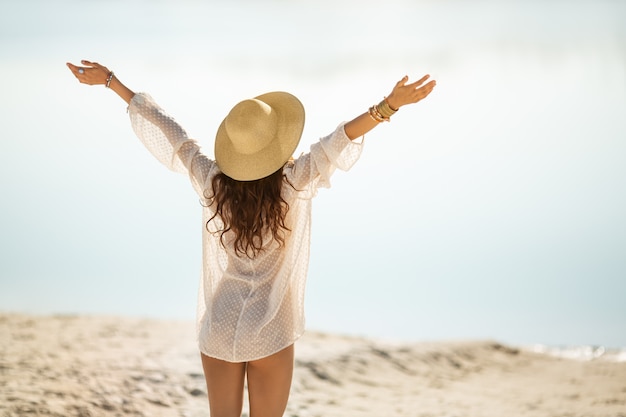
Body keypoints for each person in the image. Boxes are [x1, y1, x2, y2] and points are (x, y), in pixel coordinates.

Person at [66, 59, 436, 417]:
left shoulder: (212, 182)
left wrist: (112, 81)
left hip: (221, 321)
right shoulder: (293, 182)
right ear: (276, 142)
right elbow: (338, 141)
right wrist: (389, 106)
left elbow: (172, 134)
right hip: (270, 324)